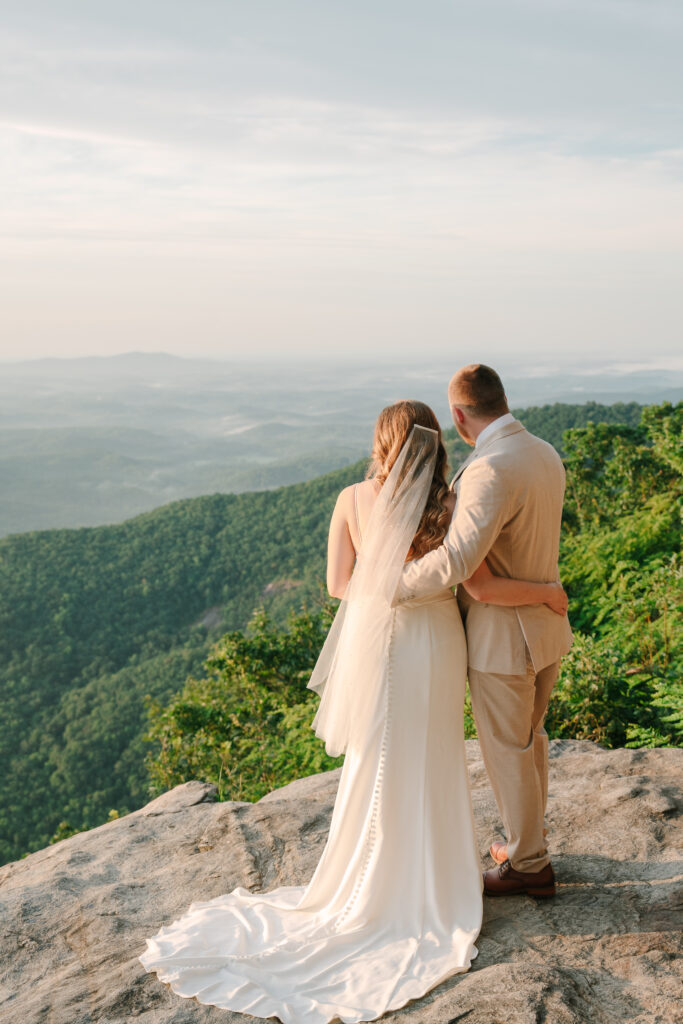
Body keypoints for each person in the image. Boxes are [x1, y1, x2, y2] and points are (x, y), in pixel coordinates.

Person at [139, 399, 569, 1024]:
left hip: (387, 637)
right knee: (436, 749)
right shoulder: (444, 501)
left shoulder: (349, 499)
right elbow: (462, 573)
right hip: (440, 637)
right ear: (431, 443)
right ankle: (440, 874)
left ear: (380, 441)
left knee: (381, 751)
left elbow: (340, 586)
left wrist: (381, 581)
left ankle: (377, 879)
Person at [397, 368, 574, 899]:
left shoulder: (489, 469)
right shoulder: (543, 451)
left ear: (458, 415)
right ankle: (526, 843)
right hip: (545, 627)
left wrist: (392, 585)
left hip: (503, 636)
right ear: (502, 399)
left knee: (507, 751)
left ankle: (528, 864)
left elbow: (457, 561)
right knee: (530, 741)